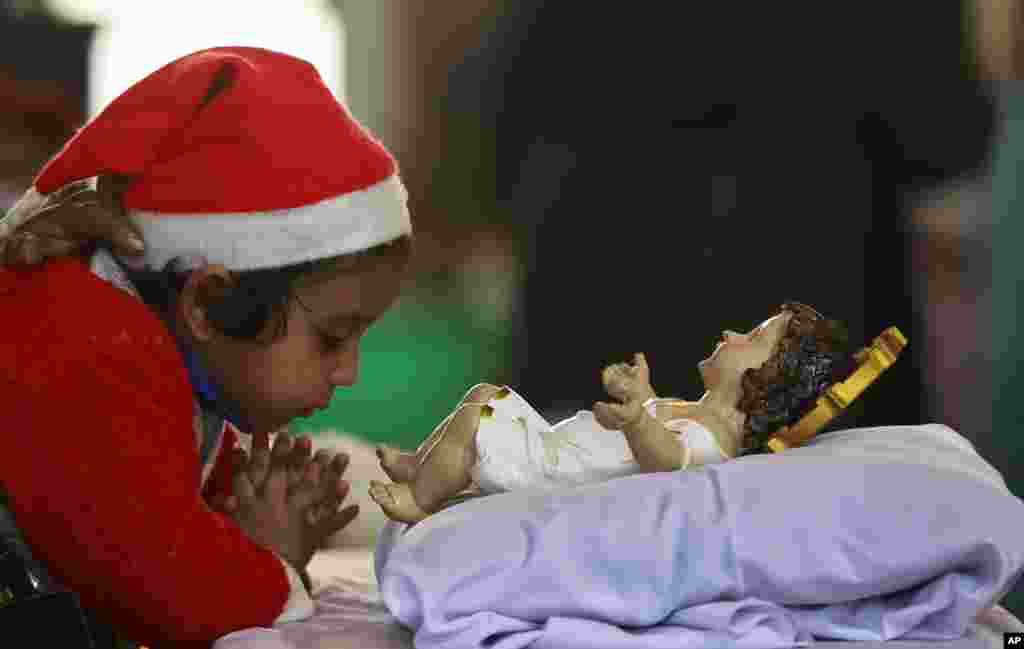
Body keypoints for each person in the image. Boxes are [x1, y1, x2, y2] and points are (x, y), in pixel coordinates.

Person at [0, 46, 412, 649]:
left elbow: (152, 504)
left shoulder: (172, 348)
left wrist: (242, 510)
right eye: (331, 337)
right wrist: (270, 564)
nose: (348, 371)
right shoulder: (89, 344)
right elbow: (161, 583)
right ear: (206, 301)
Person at [367, 302, 853, 524]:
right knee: (483, 394)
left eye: (753, 338)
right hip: (557, 448)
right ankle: (424, 464)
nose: (731, 334)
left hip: (557, 471)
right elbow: (663, 430)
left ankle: (422, 499)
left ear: (770, 379)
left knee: (477, 416)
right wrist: (640, 395)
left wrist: (637, 419)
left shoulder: (715, 442)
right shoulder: (698, 414)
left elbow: (669, 460)